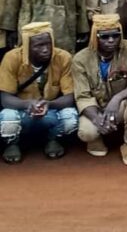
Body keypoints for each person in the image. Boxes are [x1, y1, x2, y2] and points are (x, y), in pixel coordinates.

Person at [72, 14, 127, 165]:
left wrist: (117, 98)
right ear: (95, 37)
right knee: (87, 133)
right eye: (105, 37)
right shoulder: (80, 59)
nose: (111, 40)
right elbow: (82, 96)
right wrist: (97, 119)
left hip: (120, 107)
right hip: (96, 108)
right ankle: (97, 138)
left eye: (115, 36)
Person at [0, 22, 78, 163]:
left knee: (70, 117)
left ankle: (53, 139)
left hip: (50, 111)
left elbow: (69, 97)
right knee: (7, 116)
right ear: (26, 46)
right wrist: (28, 104)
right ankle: (13, 143)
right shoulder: (11, 58)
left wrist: (50, 104)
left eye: (48, 44)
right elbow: (5, 99)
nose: (45, 49)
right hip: (22, 111)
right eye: (38, 46)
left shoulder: (63, 57)